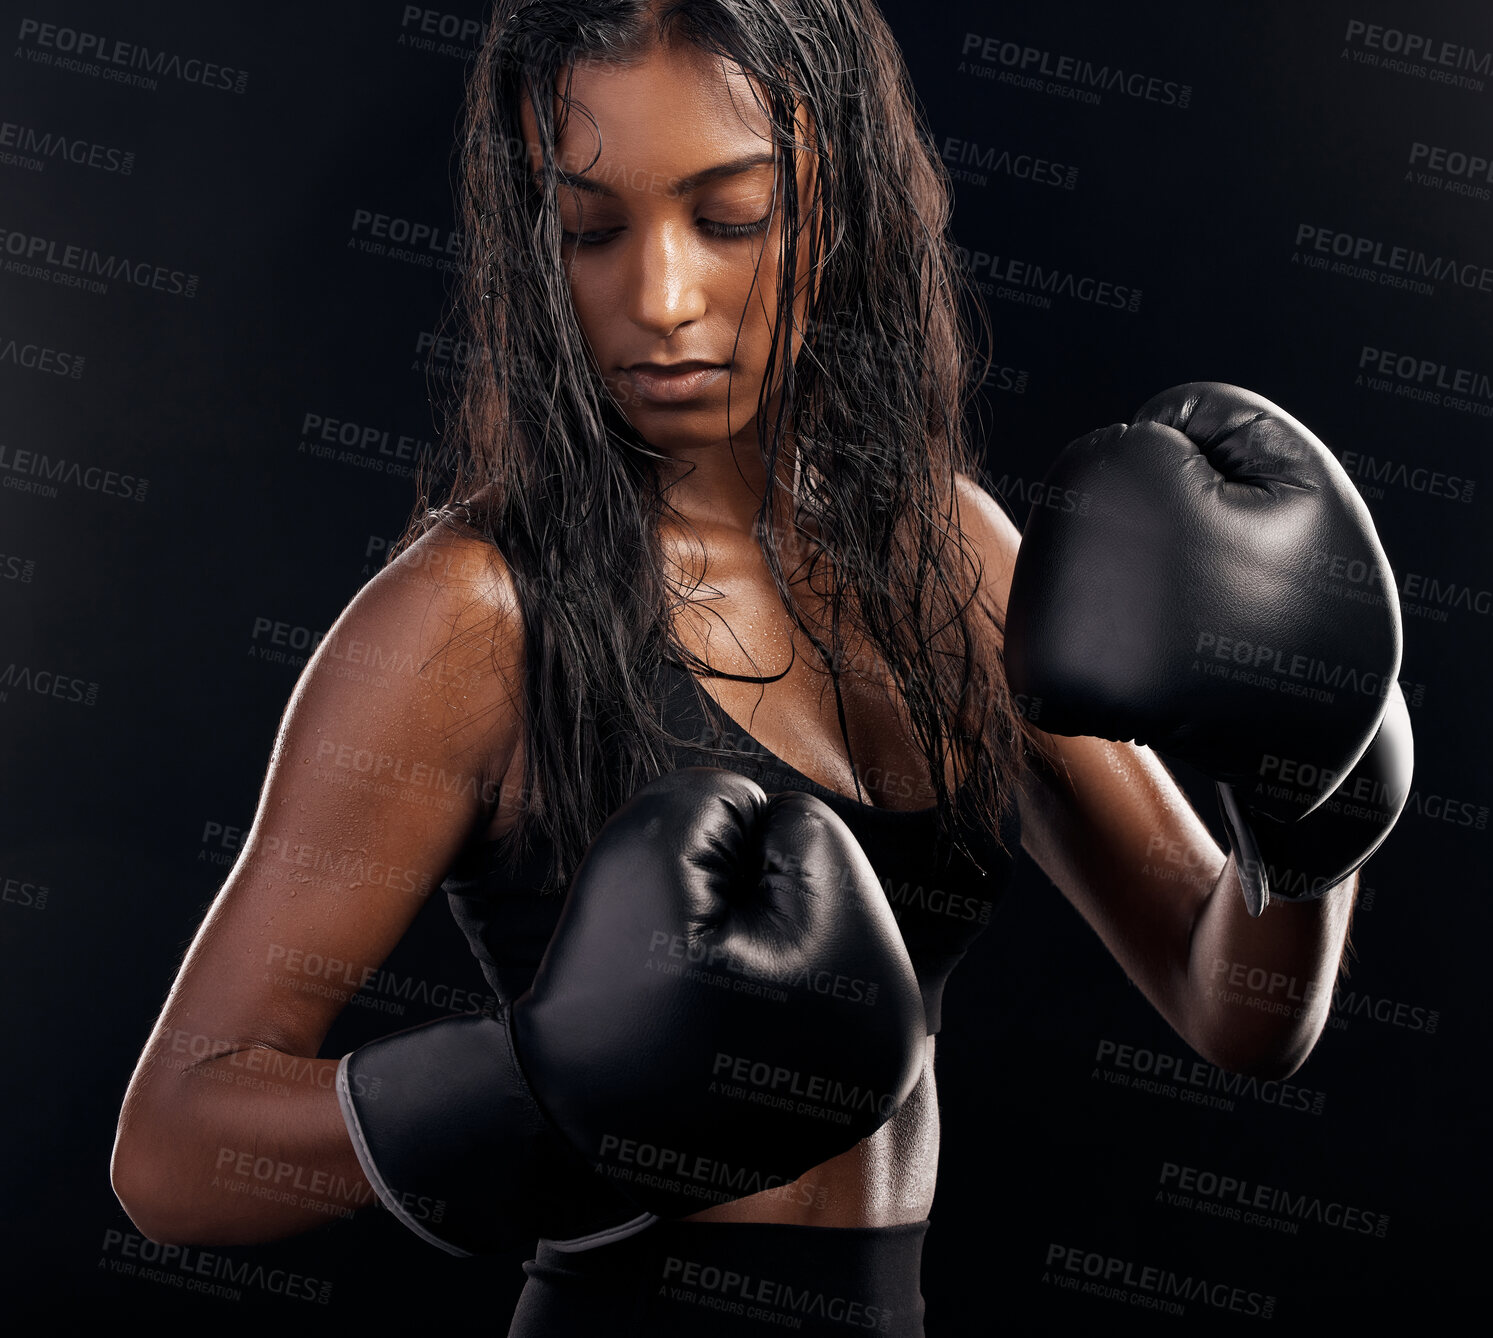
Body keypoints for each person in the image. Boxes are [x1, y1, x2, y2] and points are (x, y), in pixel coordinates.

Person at [111, 3, 1409, 1333]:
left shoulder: (946, 554)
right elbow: (168, 1151)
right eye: (590, 228)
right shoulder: (475, 616)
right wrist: (531, 1089)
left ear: (838, 202)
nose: (660, 299)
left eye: (729, 217)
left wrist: (1315, 788)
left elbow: (1233, 1003)